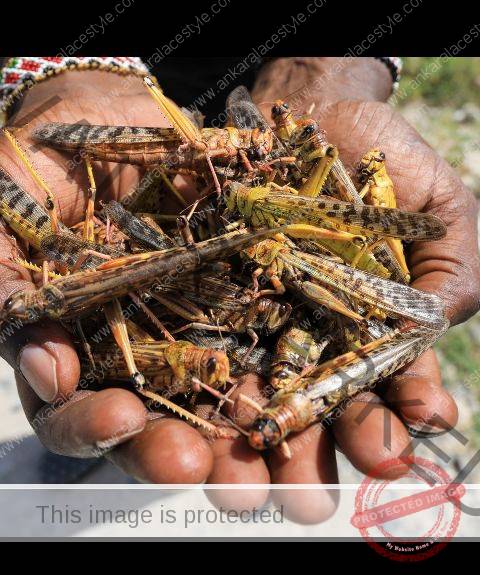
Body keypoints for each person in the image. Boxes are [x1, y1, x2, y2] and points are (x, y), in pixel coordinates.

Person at [0, 57, 478, 522]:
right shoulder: (201, 184)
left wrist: (333, 67)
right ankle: (95, 457)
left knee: (158, 423)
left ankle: (118, 461)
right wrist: (60, 68)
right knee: (112, 396)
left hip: (305, 262)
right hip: (151, 199)